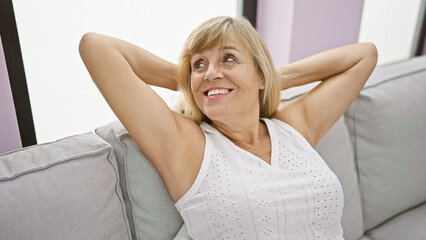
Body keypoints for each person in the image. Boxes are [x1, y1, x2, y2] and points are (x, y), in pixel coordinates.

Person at [79, 16, 377, 239]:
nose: (210, 72)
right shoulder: (188, 146)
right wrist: (194, 81)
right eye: (199, 64)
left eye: (228, 58)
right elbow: (97, 48)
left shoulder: (292, 127)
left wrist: (272, 77)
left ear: (260, 73)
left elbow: (364, 56)